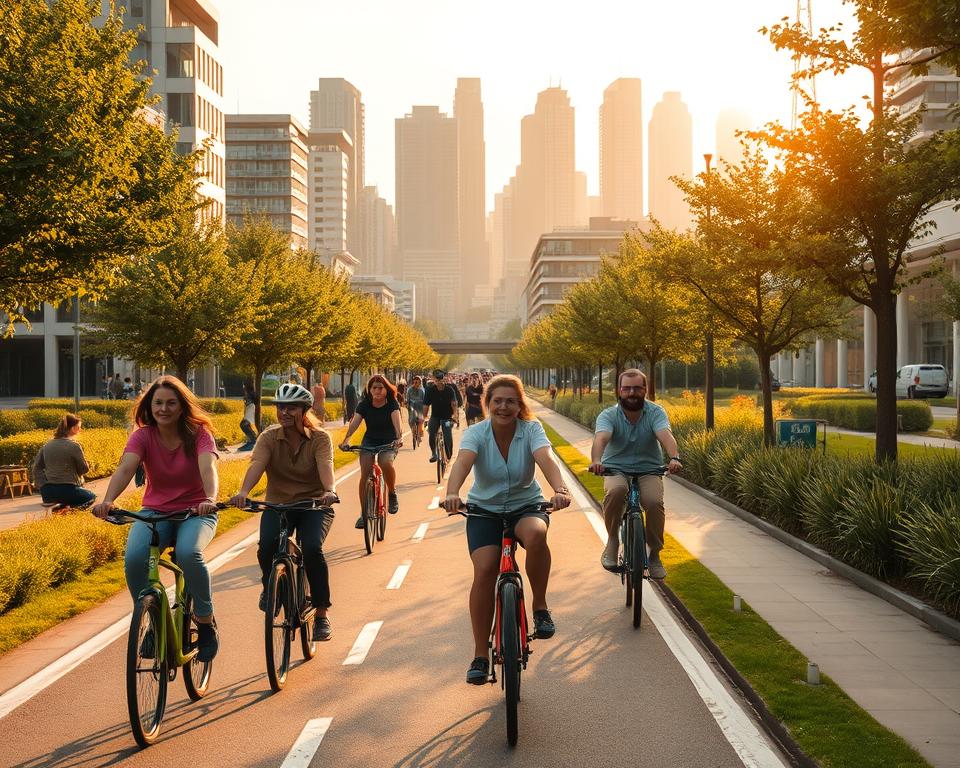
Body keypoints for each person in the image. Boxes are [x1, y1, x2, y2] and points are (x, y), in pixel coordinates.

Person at [442, 374, 572, 685]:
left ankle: (539, 607)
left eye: (510, 401)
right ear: (487, 404)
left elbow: (546, 459)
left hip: (525, 506)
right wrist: (452, 492)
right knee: (485, 570)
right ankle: (479, 655)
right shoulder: (476, 433)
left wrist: (561, 488)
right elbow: (462, 462)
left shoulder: (531, 430)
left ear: (519, 405)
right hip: (483, 510)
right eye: (497, 401)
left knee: (537, 534)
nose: (503, 406)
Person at [92, 375, 221, 662]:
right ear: (149, 406)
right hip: (154, 513)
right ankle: (152, 618)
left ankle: (205, 621)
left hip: (195, 512)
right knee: (135, 559)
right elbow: (126, 468)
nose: (164, 408)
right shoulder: (143, 435)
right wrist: (108, 500)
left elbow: (208, 467)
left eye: (171, 403)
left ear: (182, 406)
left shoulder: (199, 433)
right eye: (158, 403)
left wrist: (209, 499)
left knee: (189, 553)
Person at [228, 383, 338, 641]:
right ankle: (271, 585)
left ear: (304, 410)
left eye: (291, 407)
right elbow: (257, 464)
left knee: (312, 548)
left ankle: (321, 614)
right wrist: (244, 491)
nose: (284, 412)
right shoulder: (269, 436)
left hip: (314, 505)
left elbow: (326, 465)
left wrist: (329, 491)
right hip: (278, 504)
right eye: (280, 407)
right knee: (267, 545)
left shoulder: (320, 438)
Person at [588, 368, 682, 580]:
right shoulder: (608, 415)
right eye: (627, 388)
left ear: (645, 390)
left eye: (637, 388)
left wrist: (674, 457)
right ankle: (612, 540)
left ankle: (655, 554)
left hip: (649, 469)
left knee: (654, 501)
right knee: (616, 491)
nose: (632, 393)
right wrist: (596, 461)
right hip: (615, 468)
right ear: (619, 391)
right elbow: (601, 439)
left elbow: (665, 435)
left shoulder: (656, 412)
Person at [340, 374, 403, 528]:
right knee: (365, 473)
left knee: (385, 462)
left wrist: (399, 438)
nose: (377, 391)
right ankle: (364, 513)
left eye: (380, 388)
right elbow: (355, 423)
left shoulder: (392, 403)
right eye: (374, 388)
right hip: (370, 440)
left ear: (386, 389)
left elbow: (397, 422)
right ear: (369, 389)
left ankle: (392, 493)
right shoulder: (364, 404)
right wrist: (346, 439)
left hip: (389, 440)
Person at [31, 413, 95, 508]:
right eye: (78, 427)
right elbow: (84, 469)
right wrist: (87, 465)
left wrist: (43, 487)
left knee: (67, 501)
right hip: (69, 489)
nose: (80, 430)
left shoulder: (47, 445)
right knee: (91, 497)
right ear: (73, 428)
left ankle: (62, 509)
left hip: (48, 492)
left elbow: (36, 468)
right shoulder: (74, 446)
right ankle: (72, 513)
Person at [423, 369, 459, 464]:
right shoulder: (430, 390)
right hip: (435, 416)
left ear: (444, 379)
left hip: (447, 417)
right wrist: (425, 418)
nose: (439, 381)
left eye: (440, 378)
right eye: (436, 379)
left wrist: (455, 416)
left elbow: (454, 403)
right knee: (432, 431)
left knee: (447, 433)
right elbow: (426, 405)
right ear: (433, 379)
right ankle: (434, 453)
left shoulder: (449, 390)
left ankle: (449, 453)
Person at [405, 375, 426, 446]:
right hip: (412, 407)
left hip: (420, 407)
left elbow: (425, 400)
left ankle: (419, 435)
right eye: (415, 382)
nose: (416, 383)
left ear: (420, 382)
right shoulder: (409, 390)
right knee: (411, 420)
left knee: (420, 421)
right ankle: (413, 432)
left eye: (418, 382)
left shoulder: (422, 390)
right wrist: (407, 403)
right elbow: (407, 399)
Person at [239, 380, 258, 451]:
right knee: (244, 425)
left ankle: (253, 441)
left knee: (244, 424)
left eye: (244, 385)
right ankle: (251, 440)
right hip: (248, 409)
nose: (243, 386)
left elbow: (249, 402)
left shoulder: (250, 394)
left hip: (250, 408)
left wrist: (246, 398)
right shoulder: (247, 393)